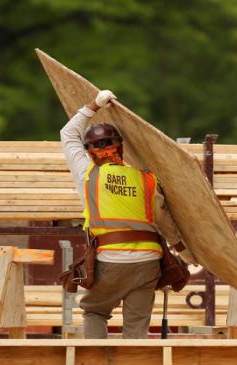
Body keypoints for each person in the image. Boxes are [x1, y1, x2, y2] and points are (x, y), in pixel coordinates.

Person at [60, 90, 197, 339]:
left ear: (90, 151)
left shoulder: (87, 175)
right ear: (121, 148)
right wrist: (185, 251)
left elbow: (68, 134)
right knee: (137, 326)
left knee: (95, 312)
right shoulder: (146, 179)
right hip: (148, 263)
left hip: (110, 261)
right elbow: (164, 221)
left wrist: (94, 105)